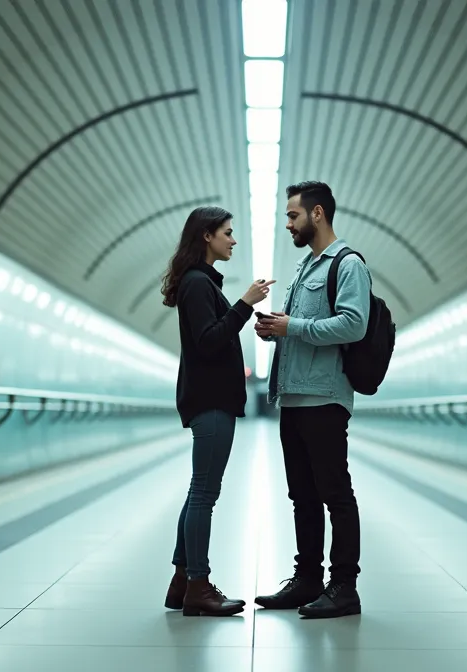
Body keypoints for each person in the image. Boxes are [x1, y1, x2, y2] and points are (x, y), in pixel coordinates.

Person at [254, 181, 370, 619]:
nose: (288, 224)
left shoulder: (348, 264)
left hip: (325, 398)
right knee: (301, 494)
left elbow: (353, 325)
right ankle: (307, 579)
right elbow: (301, 326)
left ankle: (344, 586)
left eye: (292, 216)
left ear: (317, 213)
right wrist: (276, 330)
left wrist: (294, 327)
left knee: (335, 493)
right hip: (294, 398)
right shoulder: (305, 267)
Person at [161, 206, 274, 617]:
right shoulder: (197, 284)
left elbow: (212, 334)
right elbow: (209, 340)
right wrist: (244, 305)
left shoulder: (203, 283)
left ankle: (181, 582)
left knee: (199, 491)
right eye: (227, 232)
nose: (233, 239)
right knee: (204, 494)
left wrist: (240, 310)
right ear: (207, 236)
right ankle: (198, 584)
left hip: (213, 399)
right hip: (209, 401)